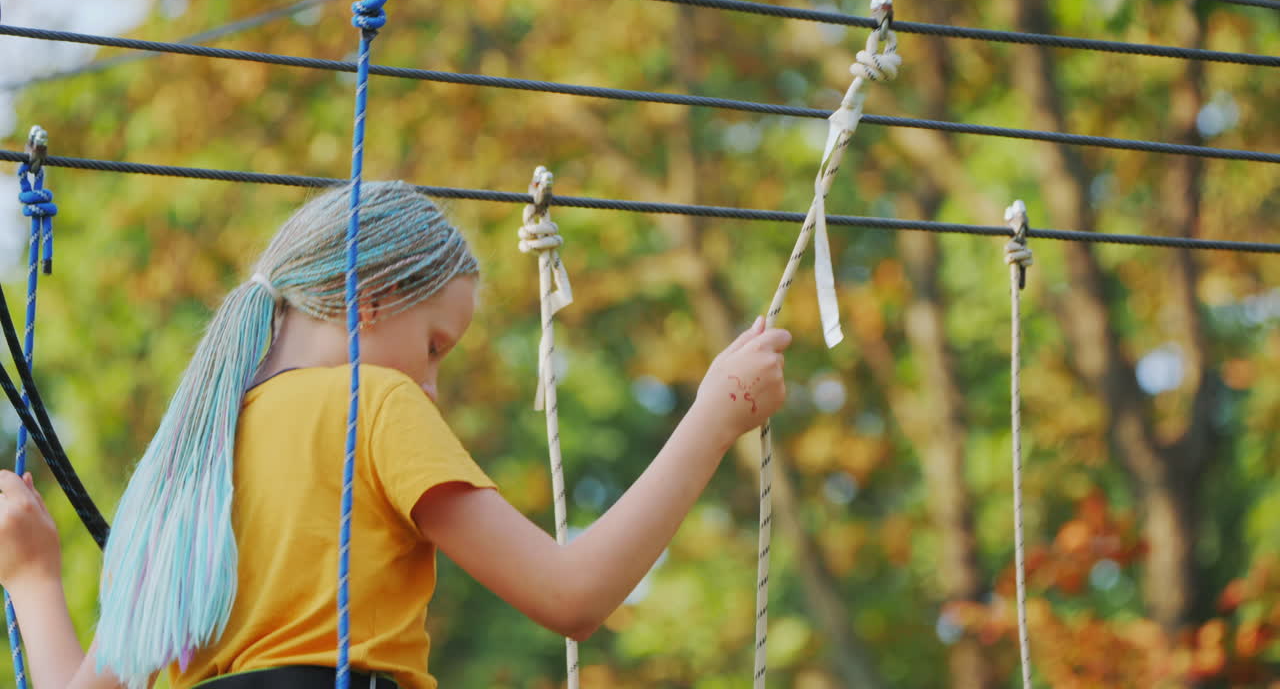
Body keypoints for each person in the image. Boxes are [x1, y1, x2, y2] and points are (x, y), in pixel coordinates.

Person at [0, 181, 791, 689]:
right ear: (369, 299)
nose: (431, 384)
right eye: (434, 346)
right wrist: (716, 413)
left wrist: (33, 578)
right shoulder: (369, 401)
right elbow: (570, 596)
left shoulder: (185, 469)